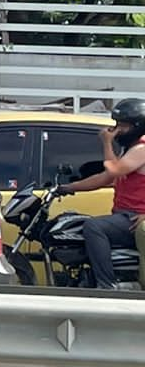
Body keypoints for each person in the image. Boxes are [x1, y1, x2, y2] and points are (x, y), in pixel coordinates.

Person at [56, 97, 145, 290]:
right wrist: (67, 188)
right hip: (123, 214)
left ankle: (106, 284)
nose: (117, 130)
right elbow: (104, 178)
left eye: (123, 126)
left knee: (93, 227)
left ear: (137, 126)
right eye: (117, 125)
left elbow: (113, 169)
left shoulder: (141, 149)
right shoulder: (130, 150)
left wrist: (106, 142)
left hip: (132, 217)